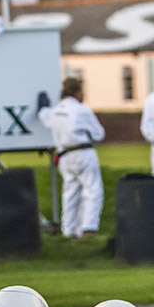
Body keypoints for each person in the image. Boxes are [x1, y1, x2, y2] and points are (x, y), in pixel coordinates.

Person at [37, 78, 106, 238]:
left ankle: (69, 230)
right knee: (92, 190)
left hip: (64, 156)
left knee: (70, 193)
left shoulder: (55, 111)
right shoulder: (82, 110)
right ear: (78, 92)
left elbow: (44, 116)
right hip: (83, 152)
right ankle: (89, 228)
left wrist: (42, 107)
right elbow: (99, 134)